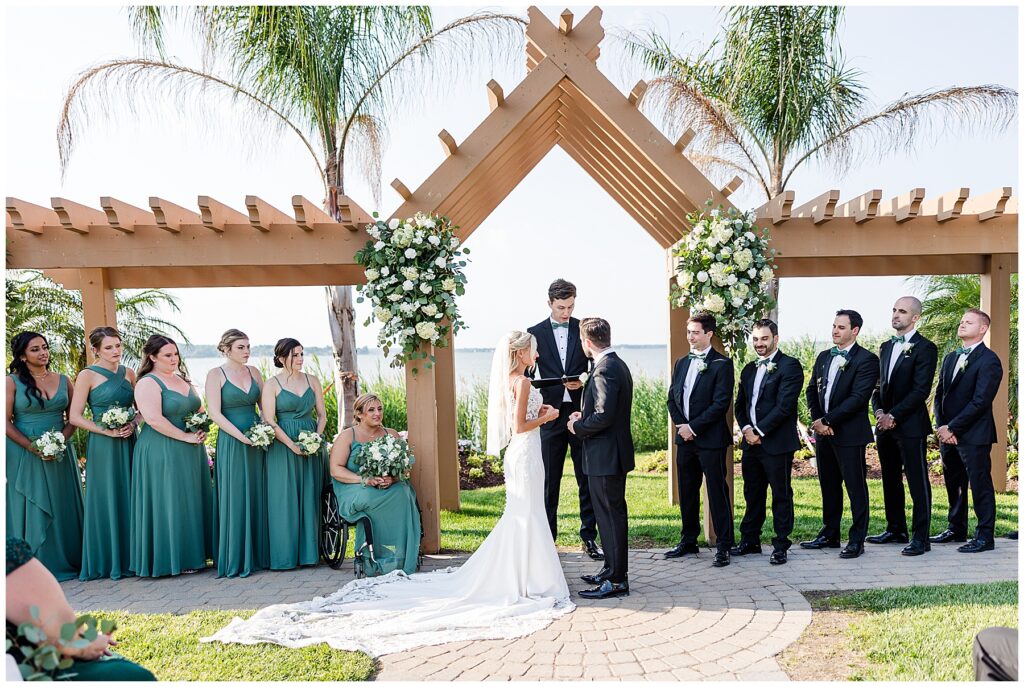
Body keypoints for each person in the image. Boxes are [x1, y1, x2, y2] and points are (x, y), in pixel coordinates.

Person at [204, 330, 573, 657]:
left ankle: (497, 567)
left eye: (380, 409)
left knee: (514, 510)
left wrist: (389, 471)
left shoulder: (386, 429)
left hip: (510, 457)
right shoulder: (522, 382)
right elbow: (520, 424)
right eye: (535, 350)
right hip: (519, 451)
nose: (538, 354)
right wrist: (549, 416)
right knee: (524, 512)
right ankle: (525, 572)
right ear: (522, 352)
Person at [6, 537, 156, 681]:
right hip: (35, 671)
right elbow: (65, 640)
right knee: (134, 676)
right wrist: (91, 642)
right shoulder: (9, 554)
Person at [527, 279, 602, 560]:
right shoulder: (534, 333)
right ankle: (548, 540)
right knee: (549, 482)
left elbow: (597, 366)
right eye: (561, 307)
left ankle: (589, 538)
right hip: (549, 417)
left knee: (586, 477)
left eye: (570, 306)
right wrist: (536, 406)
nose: (566, 313)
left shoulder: (584, 328)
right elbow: (527, 375)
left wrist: (581, 384)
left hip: (581, 414)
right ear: (549, 303)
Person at [130, 334, 215, 577]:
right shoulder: (148, 383)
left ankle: (195, 554)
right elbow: (153, 418)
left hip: (190, 448)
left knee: (190, 498)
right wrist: (185, 436)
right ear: (152, 356)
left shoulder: (182, 380)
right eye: (167, 355)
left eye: (175, 354)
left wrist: (200, 428)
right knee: (169, 499)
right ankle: (171, 559)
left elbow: (199, 409)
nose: (173, 359)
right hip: (162, 448)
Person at [800, 310, 880, 559]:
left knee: (855, 487)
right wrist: (817, 420)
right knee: (829, 485)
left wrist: (828, 420)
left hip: (849, 434)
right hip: (824, 433)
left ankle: (857, 540)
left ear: (855, 330)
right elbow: (811, 389)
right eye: (834, 326)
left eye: (841, 327)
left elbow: (858, 398)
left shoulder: (867, 360)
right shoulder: (824, 356)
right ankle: (829, 534)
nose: (835, 331)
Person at [5, 332, 83, 581]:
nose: (43, 352)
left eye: (45, 347)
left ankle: (70, 558)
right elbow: (4, 422)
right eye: (35, 349)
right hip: (23, 450)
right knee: (31, 502)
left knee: (63, 502)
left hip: (60, 451)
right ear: (22, 356)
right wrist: (31, 447)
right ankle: (32, 565)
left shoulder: (64, 380)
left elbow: (73, 418)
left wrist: (60, 441)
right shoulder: (10, 382)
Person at [568, 317, 635, 598]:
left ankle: (617, 580)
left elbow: (605, 415)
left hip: (605, 457)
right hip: (608, 455)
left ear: (586, 342)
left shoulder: (604, 370)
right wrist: (586, 415)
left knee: (610, 517)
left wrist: (577, 427)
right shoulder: (615, 364)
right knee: (608, 515)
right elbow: (607, 410)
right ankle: (610, 568)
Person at [868, 297, 938, 556]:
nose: (896, 315)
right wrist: (878, 411)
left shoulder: (925, 348)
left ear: (915, 318)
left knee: (917, 482)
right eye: (894, 310)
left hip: (910, 426)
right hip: (884, 426)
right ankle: (895, 529)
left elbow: (920, 390)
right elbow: (878, 386)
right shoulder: (886, 346)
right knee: (890, 479)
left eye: (902, 311)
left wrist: (894, 415)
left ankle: (921, 538)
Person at [665, 312, 735, 567]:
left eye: (695, 332)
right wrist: (682, 426)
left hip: (710, 439)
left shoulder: (722, 364)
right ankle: (688, 540)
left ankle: (724, 544)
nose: (690, 337)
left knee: (717, 491)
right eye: (688, 332)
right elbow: (672, 398)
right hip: (685, 438)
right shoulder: (681, 362)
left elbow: (720, 404)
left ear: (708, 333)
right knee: (687, 490)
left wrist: (693, 427)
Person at [732, 319, 803, 565]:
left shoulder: (790, 366)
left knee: (781, 494)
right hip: (751, 442)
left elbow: (784, 407)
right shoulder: (749, 369)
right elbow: (740, 405)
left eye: (764, 338)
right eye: (755, 339)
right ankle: (750, 540)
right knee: (752, 493)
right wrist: (747, 429)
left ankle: (781, 544)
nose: (759, 344)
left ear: (776, 338)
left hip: (777, 443)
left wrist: (759, 431)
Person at [931, 309, 1003, 553]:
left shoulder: (989, 360)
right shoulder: (951, 357)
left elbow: (981, 401)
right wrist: (942, 426)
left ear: (983, 329)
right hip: (947, 434)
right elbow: (940, 394)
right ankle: (956, 528)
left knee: (979, 483)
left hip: (973, 434)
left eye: (968, 322)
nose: (962, 324)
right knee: (954, 482)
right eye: (961, 321)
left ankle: (985, 537)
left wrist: (953, 427)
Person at [70, 327, 138, 580]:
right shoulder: (86, 375)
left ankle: (135, 557)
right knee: (107, 496)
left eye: (118, 346)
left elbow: (141, 409)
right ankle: (108, 560)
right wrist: (105, 431)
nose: (115, 351)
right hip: (103, 445)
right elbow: (75, 416)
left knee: (132, 494)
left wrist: (132, 424)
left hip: (130, 441)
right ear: (95, 349)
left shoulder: (129, 373)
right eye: (109, 347)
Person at [329, 393, 421, 576]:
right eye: (371, 410)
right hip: (354, 486)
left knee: (403, 492)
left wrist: (393, 479)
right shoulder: (348, 436)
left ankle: (400, 557)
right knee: (369, 496)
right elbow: (336, 470)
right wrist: (364, 480)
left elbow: (404, 469)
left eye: (379, 409)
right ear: (359, 414)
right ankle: (370, 557)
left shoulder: (391, 435)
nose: (377, 413)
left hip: (386, 486)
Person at [205, 329, 269, 578]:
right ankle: (236, 557)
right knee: (236, 494)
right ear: (226, 349)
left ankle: (259, 554)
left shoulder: (254, 372)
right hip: (233, 441)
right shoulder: (215, 375)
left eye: (248, 347)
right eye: (241, 347)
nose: (246, 351)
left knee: (257, 491)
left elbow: (264, 406)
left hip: (258, 439)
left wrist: (264, 428)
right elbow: (215, 413)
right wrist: (242, 437)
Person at [262, 338, 326, 570]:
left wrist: (316, 439)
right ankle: (285, 557)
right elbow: (269, 420)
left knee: (311, 496)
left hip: (312, 444)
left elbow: (322, 415)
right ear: (281, 358)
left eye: (301, 354)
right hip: (282, 446)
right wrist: (292, 446)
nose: (300, 359)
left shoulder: (313, 380)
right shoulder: (272, 384)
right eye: (294, 355)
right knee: (284, 499)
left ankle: (311, 555)